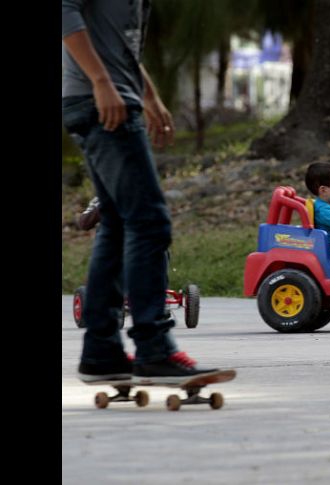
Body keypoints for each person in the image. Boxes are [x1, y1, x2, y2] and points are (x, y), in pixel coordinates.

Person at [62, 0, 217, 383]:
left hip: (110, 97)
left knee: (116, 226)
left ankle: (102, 352)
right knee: (149, 222)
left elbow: (120, 46)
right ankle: (154, 348)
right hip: (100, 101)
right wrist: (102, 82)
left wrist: (148, 95)